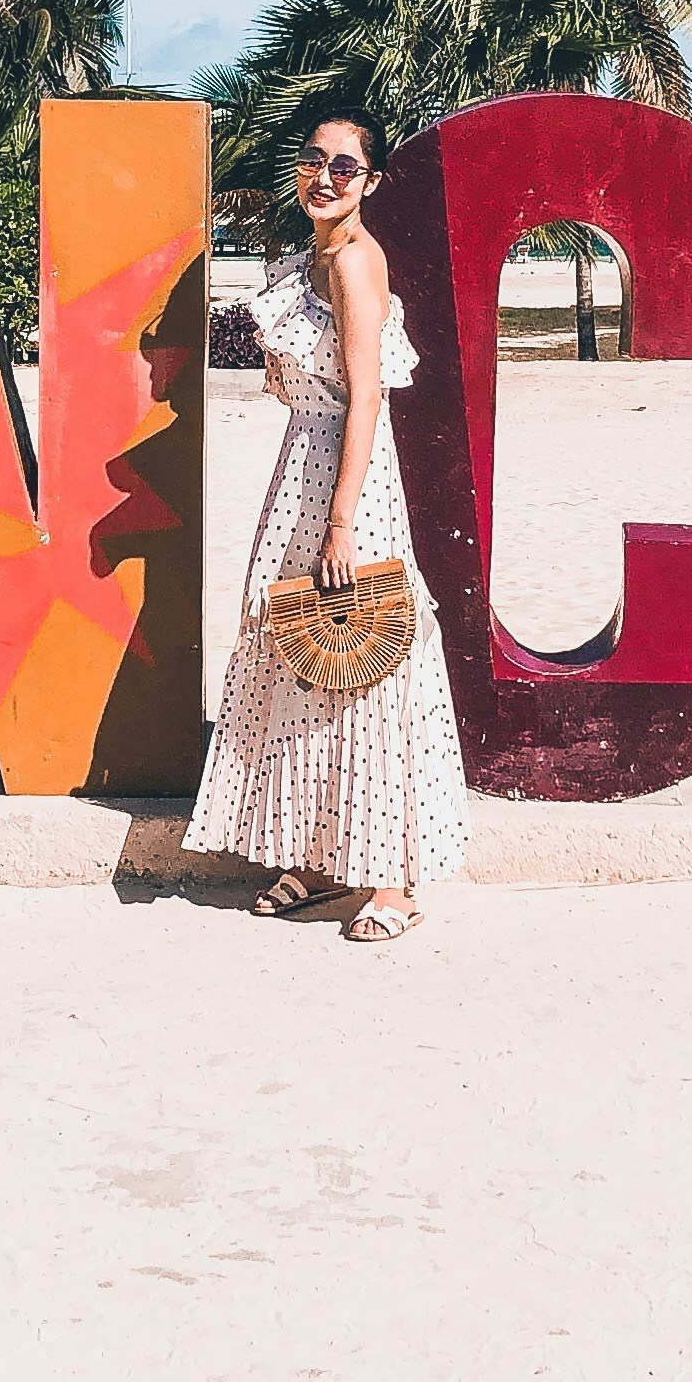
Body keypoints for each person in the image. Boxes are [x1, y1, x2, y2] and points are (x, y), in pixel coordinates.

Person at [186, 113, 472, 943]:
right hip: (303, 464)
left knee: (366, 657)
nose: (325, 176)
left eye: (346, 167)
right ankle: (318, 860)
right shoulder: (307, 259)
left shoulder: (355, 261)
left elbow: (369, 396)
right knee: (306, 655)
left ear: (371, 183)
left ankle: (392, 883)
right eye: (314, 160)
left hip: (348, 473)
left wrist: (343, 521)